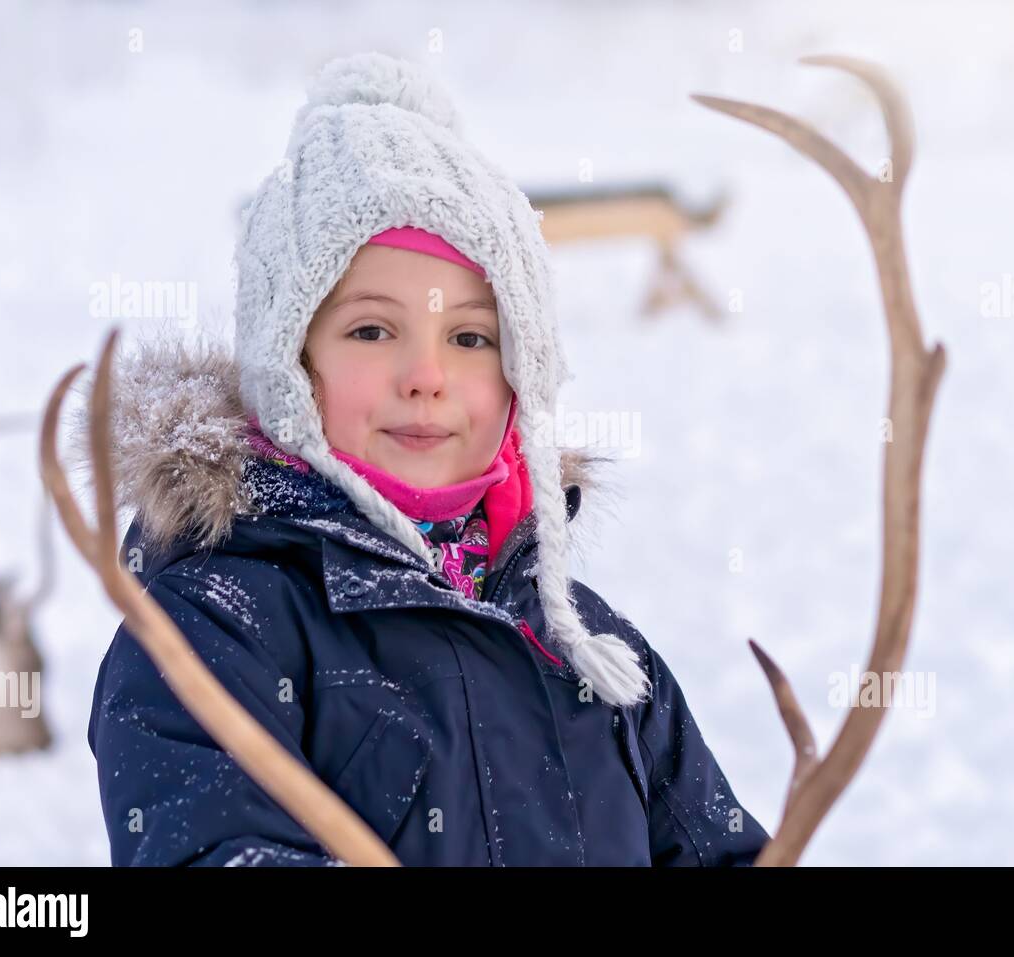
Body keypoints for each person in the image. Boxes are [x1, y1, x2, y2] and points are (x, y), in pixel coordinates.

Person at [85, 51, 770, 866]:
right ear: (288, 363)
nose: (427, 377)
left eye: (471, 337)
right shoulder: (214, 626)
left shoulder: (594, 651)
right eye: (373, 330)